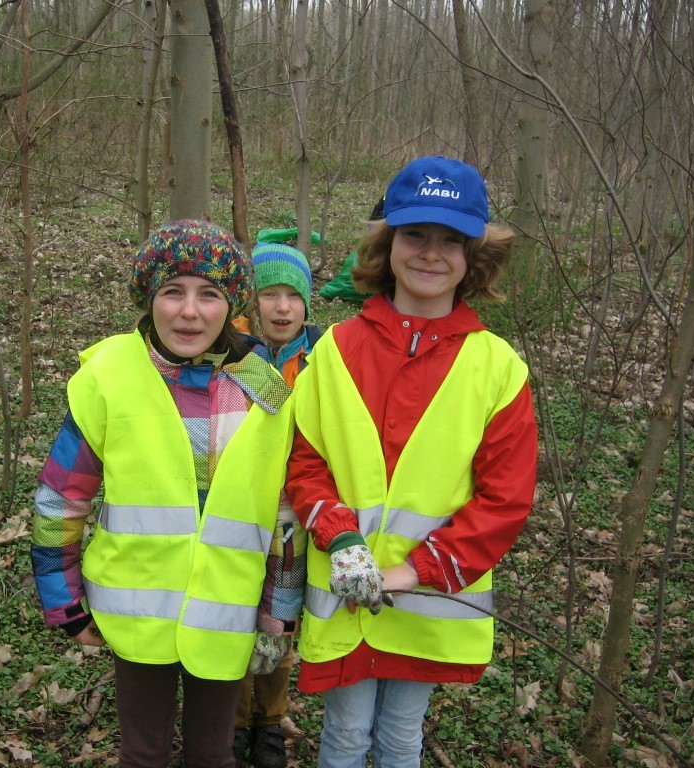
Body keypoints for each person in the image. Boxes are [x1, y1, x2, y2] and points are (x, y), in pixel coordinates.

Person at [285, 156, 539, 768]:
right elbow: (304, 461)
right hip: (346, 596)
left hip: (432, 602)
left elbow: (504, 500)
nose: (431, 253)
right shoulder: (337, 350)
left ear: (474, 257)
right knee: (344, 737)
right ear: (387, 243)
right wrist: (340, 538)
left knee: (401, 738)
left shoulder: (498, 368)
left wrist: (409, 573)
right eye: (415, 235)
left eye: (451, 240)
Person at [30, 220, 299, 768]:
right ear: (148, 298)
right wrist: (66, 605)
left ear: (232, 307)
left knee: (212, 754)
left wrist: (280, 612)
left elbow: (283, 514)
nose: (189, 311)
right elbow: (62, 497)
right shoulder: (111, 377)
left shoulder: (264, 390)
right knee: (144, 754)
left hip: (227, 613)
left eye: (209, 295)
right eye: (172, 292)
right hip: (136, 614)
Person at [232, 242, 320, 768]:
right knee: (239, 613)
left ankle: (270, 719)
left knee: (279, 621)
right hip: (242, 509)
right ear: (252, 300)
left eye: (294, 296)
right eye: (270, 295)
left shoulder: (322, 359)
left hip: (294, 515)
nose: (283, 308)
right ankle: (235, 719)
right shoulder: (234, 355)